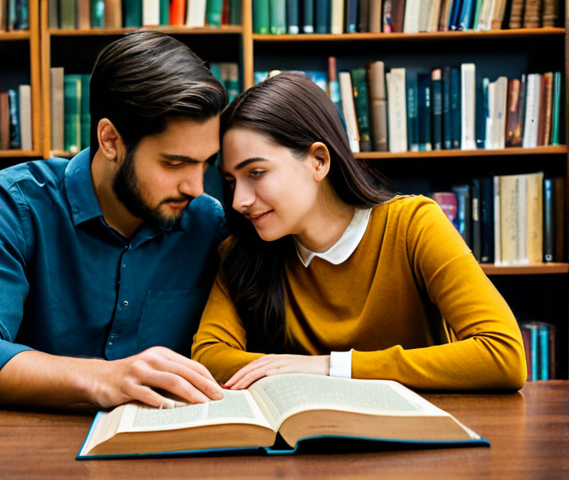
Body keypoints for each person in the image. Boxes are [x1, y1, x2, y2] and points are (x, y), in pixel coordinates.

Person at [0, 31, 229, 419]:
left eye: (206, 163)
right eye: (174, 164)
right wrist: (103, 378)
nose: (196, 187)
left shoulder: (206, 222)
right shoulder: (10, 204)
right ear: (110, 140)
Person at [191, 72, 527, 391]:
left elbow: (503, 355)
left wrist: (331, 367)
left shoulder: (413, 225)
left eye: (257, 172)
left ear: (318, 161)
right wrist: (288, 369)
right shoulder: (242, 251)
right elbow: (209, 355)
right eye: (232, 181)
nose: (238, 201)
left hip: (418, 438)